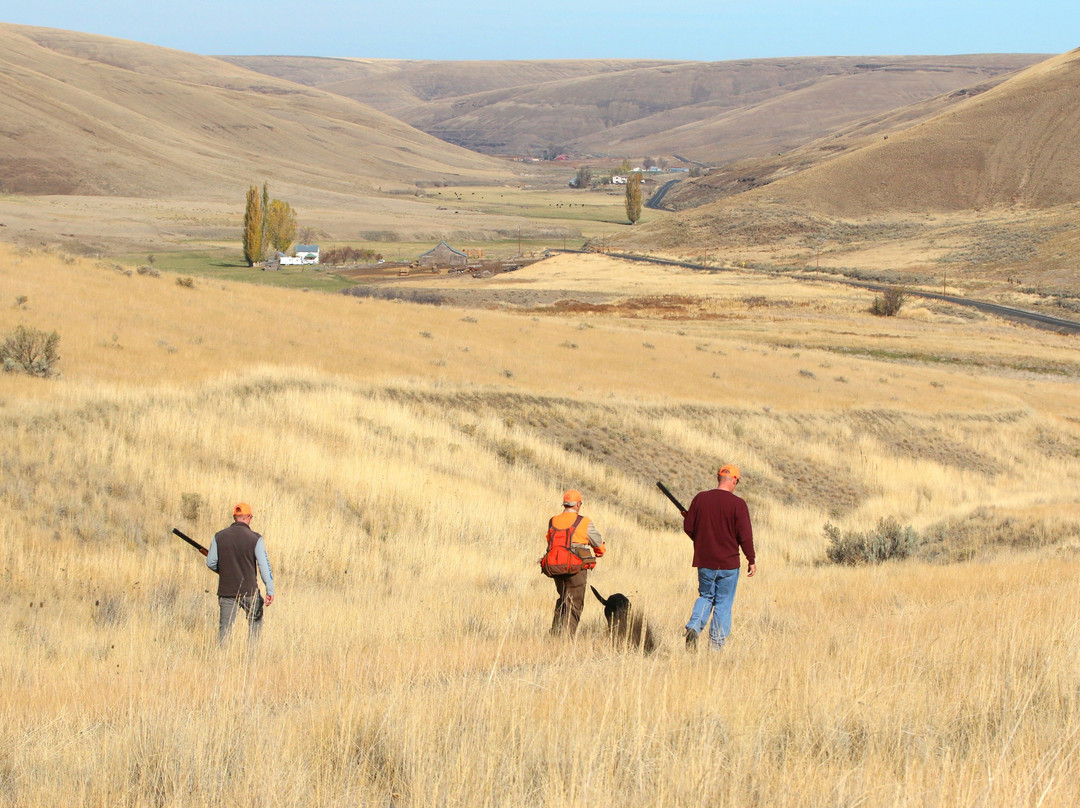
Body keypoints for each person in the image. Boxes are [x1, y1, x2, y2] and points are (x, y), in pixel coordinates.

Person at [682, 464, 755, 651]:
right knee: (723, 603)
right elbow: (745, 535)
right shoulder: (738, 504)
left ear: (718, 478)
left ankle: (694, 626)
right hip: (729, 564)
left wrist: (701, 540)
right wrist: (751, 559)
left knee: (706, 596)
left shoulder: (700, 499)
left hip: (705, 561)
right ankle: (716, 646)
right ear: (734, 480)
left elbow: (689, 527)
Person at [206, 503, 275, 644]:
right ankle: (251, 659)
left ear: (234, 517)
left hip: (226, 591)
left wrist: (224, 570)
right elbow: (264, 566)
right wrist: (270, 589)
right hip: (249, 591)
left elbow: (211, 562)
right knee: (255, 624)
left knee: (224, 630)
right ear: (249, 517)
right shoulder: (255, 538)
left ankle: (220, 661)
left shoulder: (219, 536)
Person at [545, 489, 606, 636]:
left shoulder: (553, 520)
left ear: (565, 504)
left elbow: (550, 540)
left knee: (563, 599)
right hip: (575, 567)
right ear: (578, 504)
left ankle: (555, 634)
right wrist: (600, 552)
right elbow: (597, 543)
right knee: (574, 604)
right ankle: (566, 640)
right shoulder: (584, 522)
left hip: (555, 567)